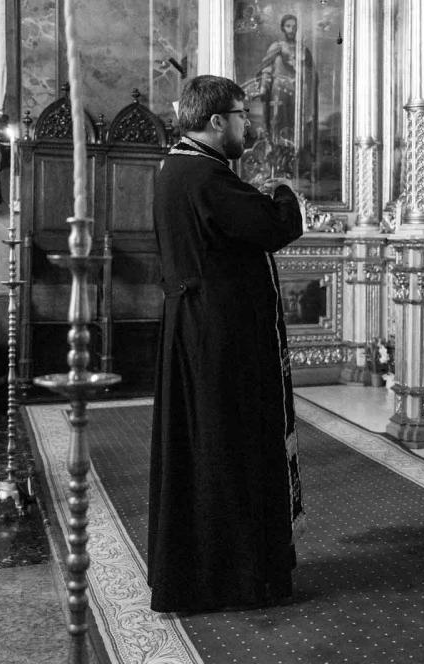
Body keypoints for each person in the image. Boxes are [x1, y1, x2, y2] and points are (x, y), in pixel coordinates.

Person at [148, 75, 305, 614]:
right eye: (242, 115)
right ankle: (238, 576)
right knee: (230, 445)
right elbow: (276, 227)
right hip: (221, 336)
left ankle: (200, 574)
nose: (247, 125)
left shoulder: (175, 167)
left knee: (203, 445)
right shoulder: (207, 175)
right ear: (217, 121)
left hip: (195, 327)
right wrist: (282, 188)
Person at [257, 14, 319, 154]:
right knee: (278, 121)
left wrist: (304, 76)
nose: (291, 29)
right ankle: (276, 153)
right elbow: (266, 69)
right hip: (279, 92)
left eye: (294, 26)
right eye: (288, 26)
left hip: (297, 92)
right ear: (282, 28)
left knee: (295, 123)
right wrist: (263, 87)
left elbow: (312, 74)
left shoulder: (303, 49)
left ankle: (294, 155)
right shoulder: (276, 47)